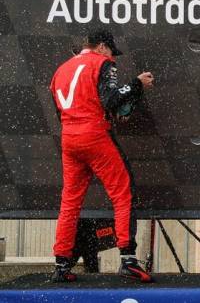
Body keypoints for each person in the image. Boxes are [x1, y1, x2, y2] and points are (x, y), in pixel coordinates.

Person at [49, 30, 154, 283]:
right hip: (94, 136)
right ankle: (128, 260)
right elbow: (110, 100)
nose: (113, 57)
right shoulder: (103, 63)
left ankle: (61, 265)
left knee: (70, 202)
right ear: (103, 47)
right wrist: (137, 83)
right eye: (111, 52)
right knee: (122, 192)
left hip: (69, 139)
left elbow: (62, 111)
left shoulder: (60, 70)